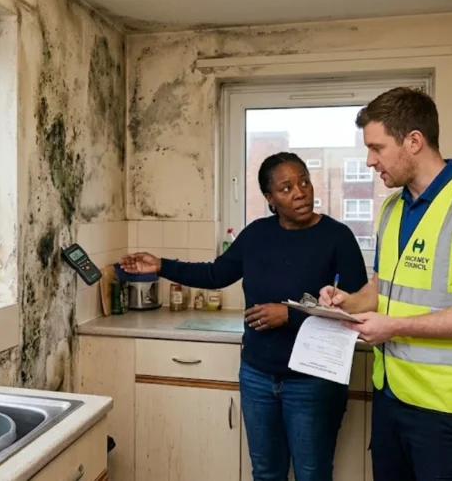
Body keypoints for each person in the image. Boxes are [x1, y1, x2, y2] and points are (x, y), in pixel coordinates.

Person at [120, 152, 368, 481]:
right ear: (270, 198)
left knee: (313, 474)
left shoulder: (337, 237)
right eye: (286, 187)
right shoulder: (256, 235)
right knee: (266, 472)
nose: (300, 192)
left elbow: (357, 307)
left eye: (304, 181)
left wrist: (290, 316)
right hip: (258, 376)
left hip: (313, 381)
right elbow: (215, 274)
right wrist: (161, 266)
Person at [319, 87, 452, 481]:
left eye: (377, 148)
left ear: (413, 141)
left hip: (449, 413)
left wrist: (393, 327)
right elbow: (384, 286)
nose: (370, 161)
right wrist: (349, 301)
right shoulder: (392, 208)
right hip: (392, 398)